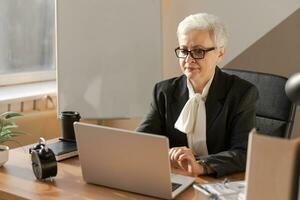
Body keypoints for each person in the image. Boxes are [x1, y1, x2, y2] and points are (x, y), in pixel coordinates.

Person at [136, 13, 258, 177]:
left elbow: (244, 153)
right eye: (184, 50)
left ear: (220, 54)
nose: (189, 58)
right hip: (178, 177)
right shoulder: (164, 92)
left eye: (198, 51)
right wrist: (168, 154)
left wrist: (201, 165)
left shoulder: (241, 93)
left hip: (221, 182)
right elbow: (140, 142)